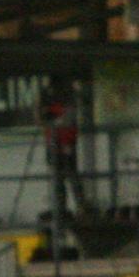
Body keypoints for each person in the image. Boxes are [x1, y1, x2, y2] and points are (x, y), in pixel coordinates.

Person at [40, 79, 85, 218]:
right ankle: (62, 209)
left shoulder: (68, 102)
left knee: (72, 177)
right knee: (58, 180)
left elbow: (68, 121)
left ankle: (81, 207)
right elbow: (42, 117)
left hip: (67, 143)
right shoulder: (46, 101)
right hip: (54, 144)